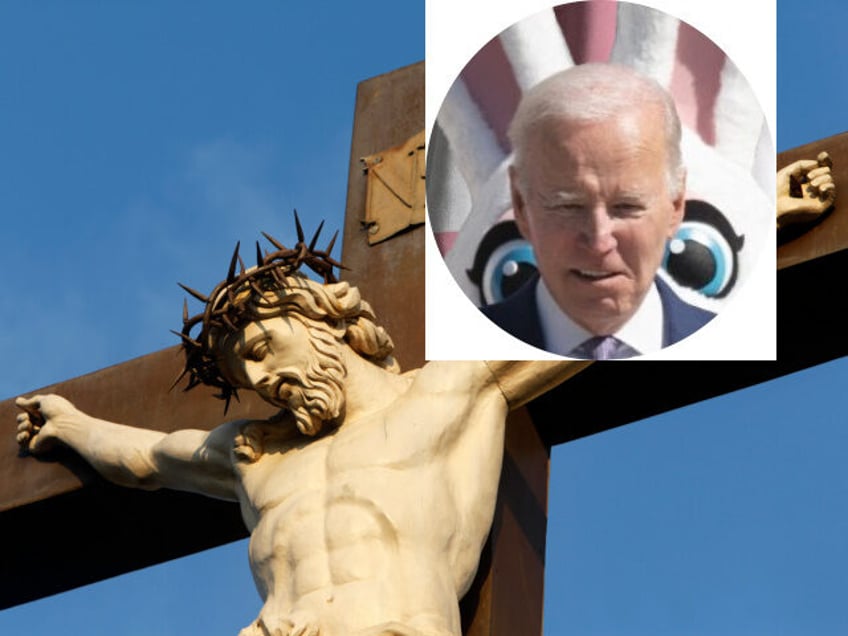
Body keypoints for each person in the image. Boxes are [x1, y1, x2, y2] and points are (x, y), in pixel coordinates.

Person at [15, 227, 586, 636]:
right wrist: (74, 425)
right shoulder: (256, 455)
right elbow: (149, 459)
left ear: (319, 314)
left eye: (263, 350)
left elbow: (587, 315)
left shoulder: (443, 395)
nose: (264, 380)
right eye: (247, 375)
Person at [482, 63, 715, 359]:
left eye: (626, 207)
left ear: (676, 204)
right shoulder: (440, 366)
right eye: (569, 206)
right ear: (520, 204)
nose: (599, 240)